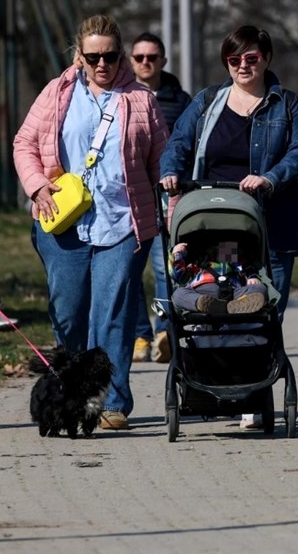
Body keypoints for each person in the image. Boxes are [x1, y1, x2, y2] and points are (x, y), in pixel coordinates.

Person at [12, 14, 167, 431]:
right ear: (78, 55)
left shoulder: (140, 100)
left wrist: (169, 209)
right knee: (69, 313)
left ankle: (112, 403)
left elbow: (161, 160)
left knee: (112, 313)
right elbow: (24, 143)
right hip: (63, 222)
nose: (102, 64)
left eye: (110, 56)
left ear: (121, 55)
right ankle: (72, 396)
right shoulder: (57, 93)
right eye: (93, 56)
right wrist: (37, 186)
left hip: (122, 223)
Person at [159, 25, 298, 429]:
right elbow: (179, 142)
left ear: (267, 59)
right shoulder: (208, 102)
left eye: (252, 58)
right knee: (218, 297)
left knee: (264, 306)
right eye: (234, 59)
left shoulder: (287, 104)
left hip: (269, 224)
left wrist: (270, 177)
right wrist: (171, 171)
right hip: (219, 226)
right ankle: (216, 380)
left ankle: (252, 391)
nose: (243, 65)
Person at [129, 32, 192, 364]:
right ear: (130, 61)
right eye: (139, 57)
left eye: (151, 57)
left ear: (163, 61)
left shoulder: (181, 101)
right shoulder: (119, 96)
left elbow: (189, 146)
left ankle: (163, 331)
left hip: (164, 200)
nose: (145, 63)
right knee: (128, 272)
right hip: (127, 201)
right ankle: (140, 334)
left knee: (163, 271)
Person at [169, 240, 268, 314]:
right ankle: (201, 303)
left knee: (260, 288)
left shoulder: (234, 263)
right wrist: (177, 254)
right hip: (202, 293)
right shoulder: (196, 266)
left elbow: (247, 267)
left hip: (233, 292)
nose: (218, 250)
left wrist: (252, 276)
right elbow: (179, 277)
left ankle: (234, 305)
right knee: (177, 294)